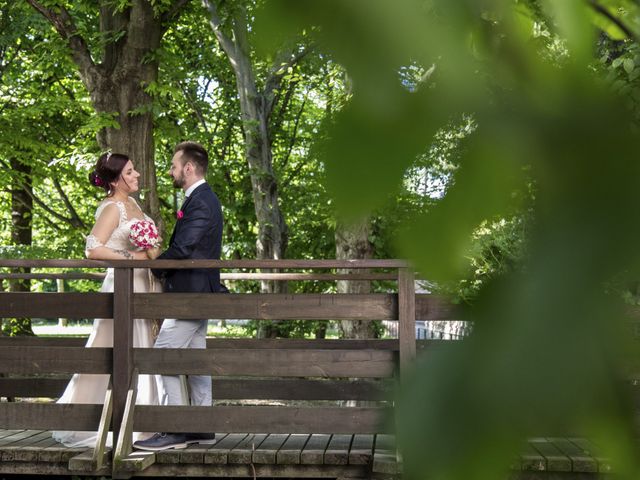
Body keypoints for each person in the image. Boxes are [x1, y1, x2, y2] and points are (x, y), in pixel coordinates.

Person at [52, 152, 161, 448]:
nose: (137, 174)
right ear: (115, 180)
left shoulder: (134, 204)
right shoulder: (113, 208)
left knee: (142, 345)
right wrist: (133, 257)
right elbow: (93, 248)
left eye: (135, 169)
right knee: (116, 345)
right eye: (130, 171)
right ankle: (111, 418)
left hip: (142, 283)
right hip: (123, 283)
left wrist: (150, 250)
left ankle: (146, 417)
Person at [133, 141, 223, 452]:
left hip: (191, 295)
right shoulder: (201, 199)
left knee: (163, 356)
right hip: (197, 294)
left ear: (188, 168)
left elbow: (184, 249)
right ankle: (202, 428)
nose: (170, 171)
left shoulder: (200, 202)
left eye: (173, 166)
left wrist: (156, 266)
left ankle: (174, 430)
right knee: (196, 362)